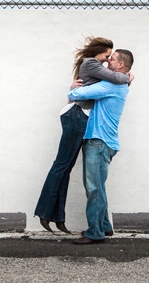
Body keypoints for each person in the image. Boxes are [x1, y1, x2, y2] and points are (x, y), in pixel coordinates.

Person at [33, 37, 129, 233]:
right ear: (98, 52)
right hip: (77, 116)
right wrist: (129, 76)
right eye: (106, 55)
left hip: (80, 118)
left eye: (111, 58)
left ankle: (57, 217)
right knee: (61, 165)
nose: (107, 60)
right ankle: (45, 212)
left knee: (65, 167)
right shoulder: (91, 62)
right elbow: (117, 79)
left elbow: (110, 83)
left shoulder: (97, 68)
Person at [65, 48, 133, 245]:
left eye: (111, 59)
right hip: (104, 142)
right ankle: (104, 226)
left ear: (120, 65)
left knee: (93, 188)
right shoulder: (119, 84)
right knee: (98, 187)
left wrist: (72, 87)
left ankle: (95, 232)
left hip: (99, 142)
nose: (107, 63)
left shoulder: (111, 85)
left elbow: (78, 93)